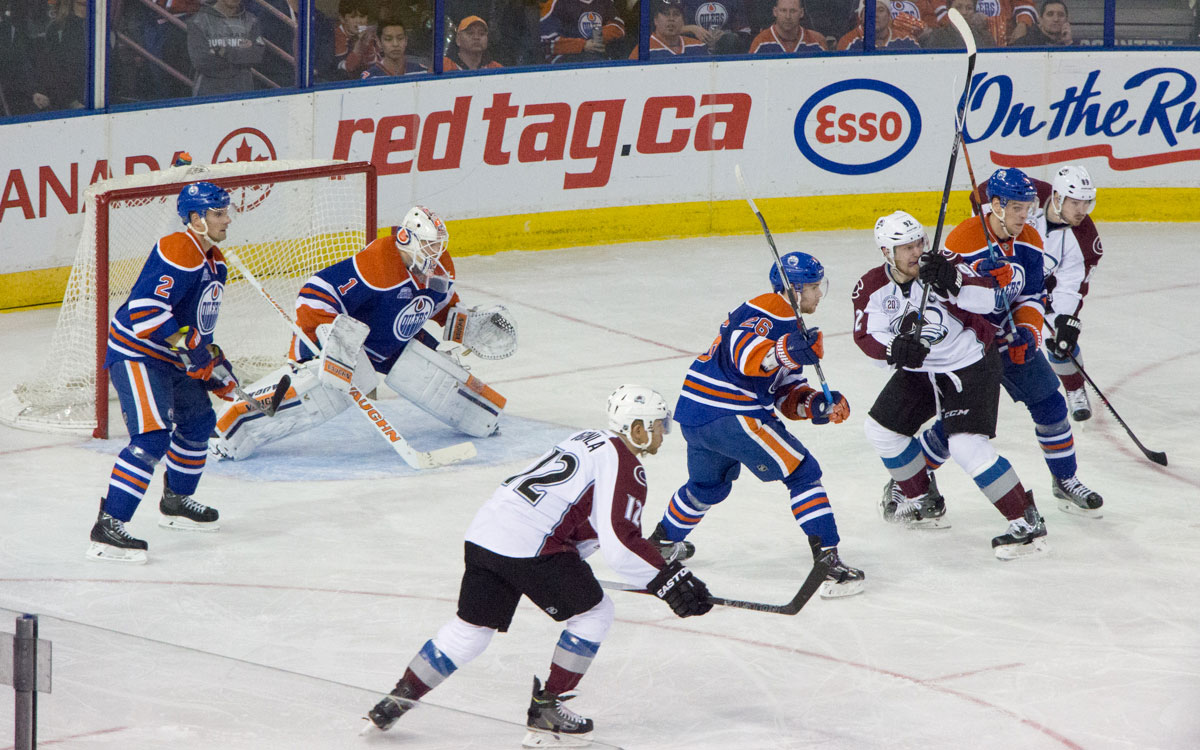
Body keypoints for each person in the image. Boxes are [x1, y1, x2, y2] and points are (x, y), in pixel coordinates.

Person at [362, 385, 713, 745]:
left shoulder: (586, 439)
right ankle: (547, 706)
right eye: (659, 425)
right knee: (595, 614)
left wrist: (652, 574)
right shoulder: (626, 464)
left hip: (485, 534)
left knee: (470, 630)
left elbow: (579, 518)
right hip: (530, 545)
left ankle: (397, 698)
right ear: (636, 428)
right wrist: (670, 580)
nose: (663, 433)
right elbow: (621, 545)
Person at [209, 206, 516, 460]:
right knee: (318, 392)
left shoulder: (441, 266)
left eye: (438, 245)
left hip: (391, 342)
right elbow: (315, 293)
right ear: (407, 238)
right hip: (347, 340)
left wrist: (464, 324)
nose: (435, 252)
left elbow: (440, 304)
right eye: (428, 244)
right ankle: (230, 425)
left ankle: (482, 419)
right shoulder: (378, 264)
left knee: (436, 374)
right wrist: (331, 337)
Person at [648, 252, 864, 598]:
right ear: (794, 289)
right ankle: (828, 562)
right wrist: (789, 350)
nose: (819, 294)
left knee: (708, 487)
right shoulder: (769, 307)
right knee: (803, 472)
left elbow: (782, 392)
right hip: (732, 413)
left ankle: (661, 543)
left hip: (697, 415)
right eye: (813, 287)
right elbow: (745, 355)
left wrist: (818, 404)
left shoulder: (791, 324)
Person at [854, 211, 1048, 559]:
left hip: (970, 363)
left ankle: (1026, 522)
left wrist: (954, 282)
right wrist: (894, 350)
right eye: (906, 247)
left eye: (919, 243)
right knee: (880, 430)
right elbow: (866, 333)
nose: (916, 252)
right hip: (922, 370)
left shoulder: (943, 266)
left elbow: (991, 298)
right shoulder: (871, 286)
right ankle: (923, 501)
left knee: (965, 446)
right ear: (887, 252)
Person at [922, 167, 1103, 519]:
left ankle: (1065, 479)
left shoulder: (1032, 240)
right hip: (967, 345)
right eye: (1018, 208)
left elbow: (1032, 297)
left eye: (1028, 206)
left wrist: (1029, 332)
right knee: (959, 426)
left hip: (1007, 336)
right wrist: (975, 284)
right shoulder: (963, 238)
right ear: (996, 205)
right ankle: (912, 480)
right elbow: (942, 300)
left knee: (1051, 403)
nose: (1026, 215)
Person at [87, 182, 239, 564]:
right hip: (137, 353)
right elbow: (144, 311)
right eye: (219, 213)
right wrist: (192, 350)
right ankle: (108, 526)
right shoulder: (178, 249)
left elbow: (197, 325)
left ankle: (176, 502)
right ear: (195, 218)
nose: (227, 219)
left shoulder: (213, 262)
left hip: (168, 356)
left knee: (199, 422)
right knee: (153, 436)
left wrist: (213, 362)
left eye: (226, 212)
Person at [1028, 166, 1101, 421]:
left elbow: (1070, 286)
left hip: (1042, 291)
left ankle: (1075, 388)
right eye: (1075, 203)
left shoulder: (1085, 239)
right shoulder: (1028, 196)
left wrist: (1064, 319)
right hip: (1001, 280)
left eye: (1086, 203)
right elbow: (983, 194)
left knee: (1060, 338)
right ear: (1057, 198)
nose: (1082, 210)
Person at [186, 0, 266, 96]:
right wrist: (240, 56)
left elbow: (256, 56)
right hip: (208, 95)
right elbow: (201, 61)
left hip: (244, 94)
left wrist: (222, 51)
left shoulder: (251, 20)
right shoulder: (198, 21)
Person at [32, 0, 89, 111]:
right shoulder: (57, 28)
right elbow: (52, 71)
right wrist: (72, 102)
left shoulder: (103, 27)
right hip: (68, 107)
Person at [539, 0, 625, 63]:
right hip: (566, 62)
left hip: (597, 58)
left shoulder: (605, 2)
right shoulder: (556, 3)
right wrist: (583, 45)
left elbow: (618, 26)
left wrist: (598, 38)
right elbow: (546, 42)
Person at [632, 0, 708, 59]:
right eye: (666, 14)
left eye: (676, 14)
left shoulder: (698, 46)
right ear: (655, 20)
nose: (671, 19)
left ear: (683, 21)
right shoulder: (642, 51)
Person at [836, 0, 920, 51]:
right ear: (860, 17)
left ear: (889, 16)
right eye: (868, 10)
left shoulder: (906, 40)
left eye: (881, 10)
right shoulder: (847, 42)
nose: (875, 15)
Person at [749, 0, 827, 54]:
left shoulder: (817, 41)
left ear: (801, 13)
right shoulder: (761, 42)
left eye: (793, 11)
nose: (788, 16)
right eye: (783, 10)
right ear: (775, 12)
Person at [329, 0, 379, 79]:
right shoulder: (338, 35)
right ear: (342, 19)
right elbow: (348, 68)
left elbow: (374, 66)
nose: (359, 21)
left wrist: (367, 43)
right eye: (353, 17)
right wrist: (358, 46)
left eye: (362, 16)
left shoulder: (369, 34)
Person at [360, 19, 427, 76]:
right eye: (388, 39)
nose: (395, 44)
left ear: (406, 41)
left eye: (400, 38)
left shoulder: (422, 72)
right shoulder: (371, 77)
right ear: (379, 43)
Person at [680, 0, 751, 54]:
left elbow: (744, 31)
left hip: (725, 53)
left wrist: (725, 36)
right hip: (694, 51)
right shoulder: (686, 2)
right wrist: (692, 29)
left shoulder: (734, 2)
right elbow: (671, 29)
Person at [919, 0, 995, 48]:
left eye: (969, 8)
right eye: (958, 7)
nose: (964, 12)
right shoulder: (936, 37)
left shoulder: (985, 37)